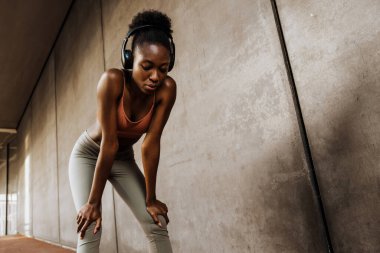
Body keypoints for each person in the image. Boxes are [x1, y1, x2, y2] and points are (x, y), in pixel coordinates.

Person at [68, 9, 176, 253]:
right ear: (129, 60)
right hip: (89, 154)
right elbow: (109, 143)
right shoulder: (112, 80)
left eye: (163, 68)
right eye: (146, 66)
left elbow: (150, 144)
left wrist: (150, 199)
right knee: (91, 225)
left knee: (156, 222)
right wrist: (93, 203)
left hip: (122, 158)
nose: (155, 76)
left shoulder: (167, 90)